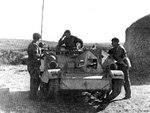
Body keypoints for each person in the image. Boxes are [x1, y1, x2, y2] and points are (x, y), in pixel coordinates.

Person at [105, 37, 131, 102]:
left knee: (125, 79)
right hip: (120, 64)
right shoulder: (116, 47)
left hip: (123, 64)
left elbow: (117, 56)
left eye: (113, 42)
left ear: (116, 42)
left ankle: (128, 94)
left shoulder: (120, 48)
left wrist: (110, 55)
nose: (112, 43)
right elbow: (112, 50)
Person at [27, 33, 44, 100]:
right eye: (39, 39)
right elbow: (35, 56)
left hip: (32, 65)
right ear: (38, 39)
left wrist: (40, 48)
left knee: (34, 80)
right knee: (35, 80)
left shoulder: (32, 45)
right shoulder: (34, 46)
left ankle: (33, 95)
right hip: (34, 66)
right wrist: (42, 55)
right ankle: (33, 96)